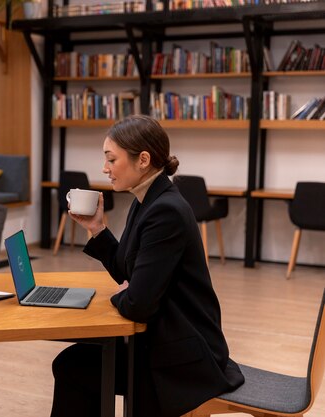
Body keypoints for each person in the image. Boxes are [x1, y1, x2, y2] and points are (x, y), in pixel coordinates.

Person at [50, 115, 244, 417]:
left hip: (183, 356)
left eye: (111, 159)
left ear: (143, 159)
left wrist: (124, 294)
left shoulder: (164, 210)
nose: (104, 169)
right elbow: (130, 274)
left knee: (72, 367)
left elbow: (138, 305)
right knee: (73, 364)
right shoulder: (147, 200)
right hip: (167, 339)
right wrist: (97, 229)